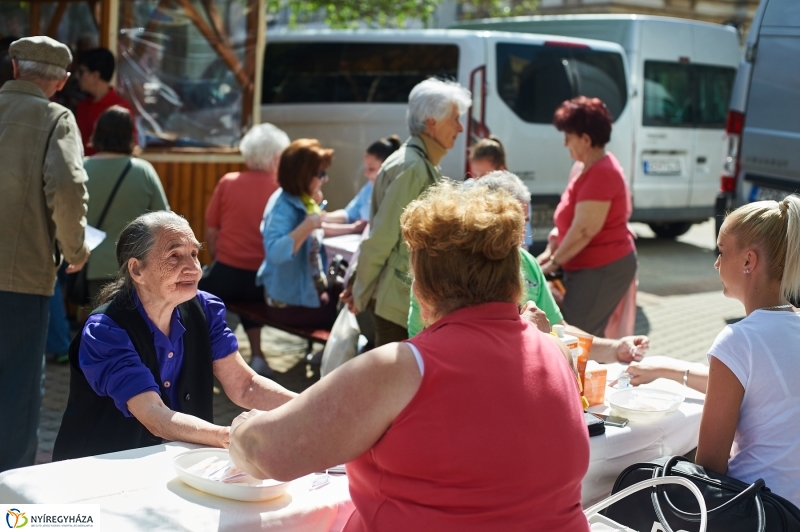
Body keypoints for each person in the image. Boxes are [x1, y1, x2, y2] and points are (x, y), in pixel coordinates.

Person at [229, 181, 590, 531]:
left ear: (420, 288)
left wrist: (241, 428)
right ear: (515, 277)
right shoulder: (558, 352)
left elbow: (266, 451)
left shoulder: (400, 368)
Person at [53, 212, 296, 460]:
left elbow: (245, 385)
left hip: (176, 464)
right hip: (98, 471)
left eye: (194, 254)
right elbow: (153, 413)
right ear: (137, 270)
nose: (192, 268)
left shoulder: (205, 310)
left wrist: (309, 409)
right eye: (174, 256)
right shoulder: (105, 330)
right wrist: (228, 436)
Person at [408, 171, 648, 363]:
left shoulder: (528, 263)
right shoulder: (445, 269)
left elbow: (560, 331)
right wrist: (525, 331)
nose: (521, 235)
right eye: (511, 224)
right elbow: (424, 343)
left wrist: (615, 349)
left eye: (524, 223)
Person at [0, 36, 91, 472]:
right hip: (21, 277)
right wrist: (75, 249)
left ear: (14, 68)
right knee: (16, 390)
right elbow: (69, 187)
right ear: (61, 81)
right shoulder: (56, 118)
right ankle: (9, 497)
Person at [342, 78, 472, 346]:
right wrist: (359, 292)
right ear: (431, 122)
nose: (460, 127)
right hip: (397, 303)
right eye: (455, 118)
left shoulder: (416, 162)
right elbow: (381, 238)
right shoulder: (413, 167)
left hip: (401, 299)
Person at [692, 195, 800, 506]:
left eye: (722, 251)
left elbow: (709, 465)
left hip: (755, 510)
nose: (716, 263)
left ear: (748, 261)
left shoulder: (738, 341)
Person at [538, 96, 637, 337]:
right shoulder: (583, 166)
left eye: (567, 137)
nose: (564, 144)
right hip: (586, 266)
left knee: (576, 337)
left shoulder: (603, 172)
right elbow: (571, 219)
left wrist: (554, 262)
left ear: (585, 139)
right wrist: (550, 252)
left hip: (602, 268)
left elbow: (584, 229)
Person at [199, 123, 290, 377]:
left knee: (204, 295)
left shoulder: (228, 182)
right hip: (263, 279)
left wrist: (220, 258)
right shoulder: (282, 190)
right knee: (252, 298)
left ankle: (204, 356)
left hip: (226, 273)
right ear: (276, 156)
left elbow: (211, 231)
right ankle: (258, 355)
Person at [84, 106, 169, 304]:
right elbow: (165, 218)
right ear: (131, 135)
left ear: (97, 133)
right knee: (134, 327)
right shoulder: (143, 170)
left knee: (99, 324)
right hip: (136, 265)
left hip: (91, 263)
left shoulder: (82, 167)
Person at [256, 139, 344, 330]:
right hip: (287, 304)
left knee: (347, 296)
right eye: (320, 174)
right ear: (302, 176)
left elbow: (317, 228)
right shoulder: (282, 206)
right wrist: (307, 225)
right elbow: (275, 253)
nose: (325, 179)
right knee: (349, 315)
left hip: (303, 294)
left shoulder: (302, 199)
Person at [325, 135, 401, 224]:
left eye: (371, 168)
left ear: (389, 168)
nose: (366, 173)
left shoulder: (398, 192)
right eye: (366, 167)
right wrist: (323, 217)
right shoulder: (370, 186)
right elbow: (349, 214)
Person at [74, 47, 135, 156]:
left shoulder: (121, 109)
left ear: (95, 76)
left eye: (81, 72)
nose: (77, 77)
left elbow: (131, 147)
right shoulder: (82, 106)